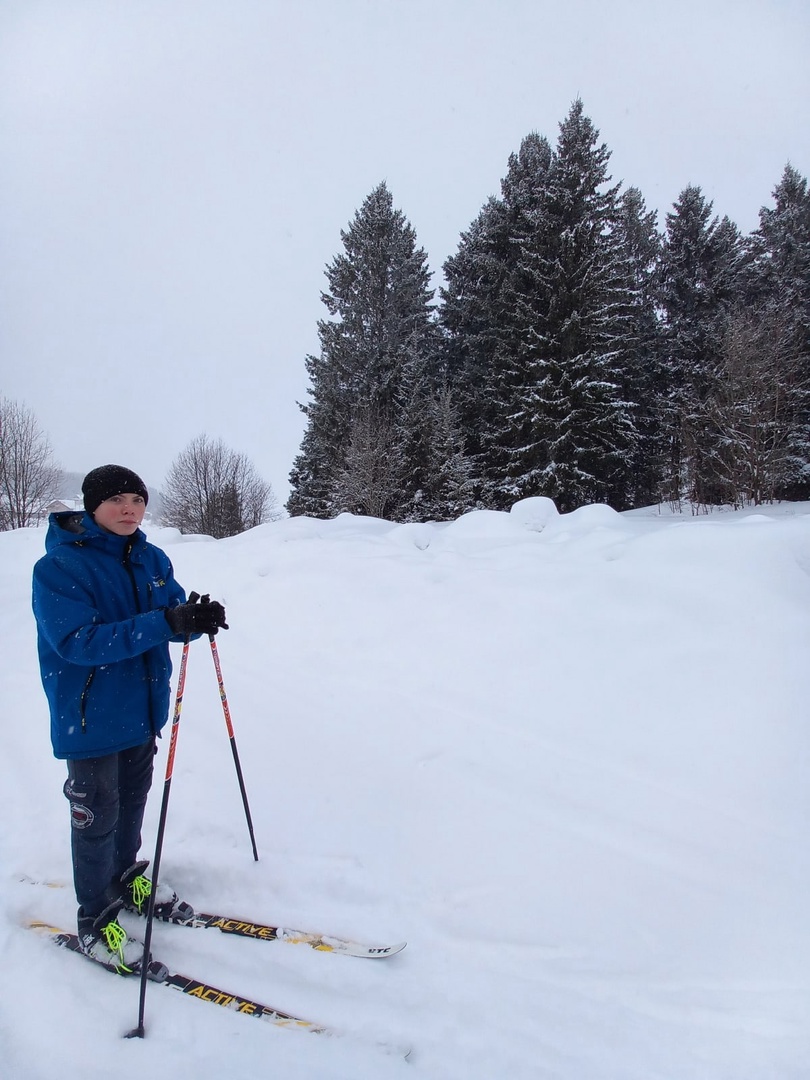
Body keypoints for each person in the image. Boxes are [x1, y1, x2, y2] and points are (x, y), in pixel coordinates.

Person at [32, 464, 228, 974]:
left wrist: (192, 619)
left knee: (132, 804)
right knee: (96, 817)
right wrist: (163, 623)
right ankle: (95, 919)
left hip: (142, 713)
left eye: (137, 500)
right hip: (90, 719)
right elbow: (77, 643)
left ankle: (125, 876)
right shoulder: (59, 568)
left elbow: (169, 616)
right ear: (92, 506)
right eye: (117, 500)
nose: (129, 510)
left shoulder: (151, 557)